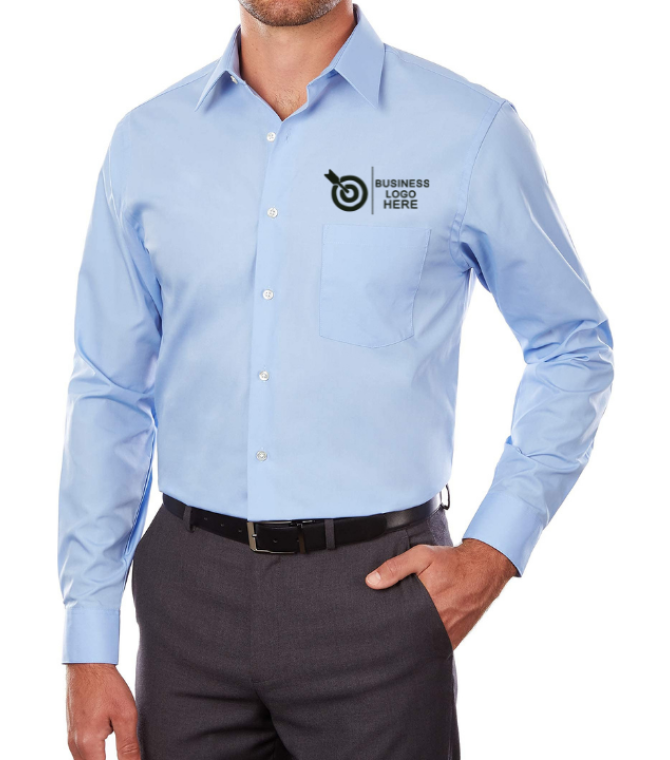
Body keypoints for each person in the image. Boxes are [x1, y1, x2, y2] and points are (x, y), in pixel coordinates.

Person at [59, 2, 614, 758]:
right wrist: (88, 638)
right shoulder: (146, 143)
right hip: (187, 601)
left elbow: (573, 346)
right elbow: (108, 390)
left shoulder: (469, 130)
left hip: (378, 593)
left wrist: (494, 551)